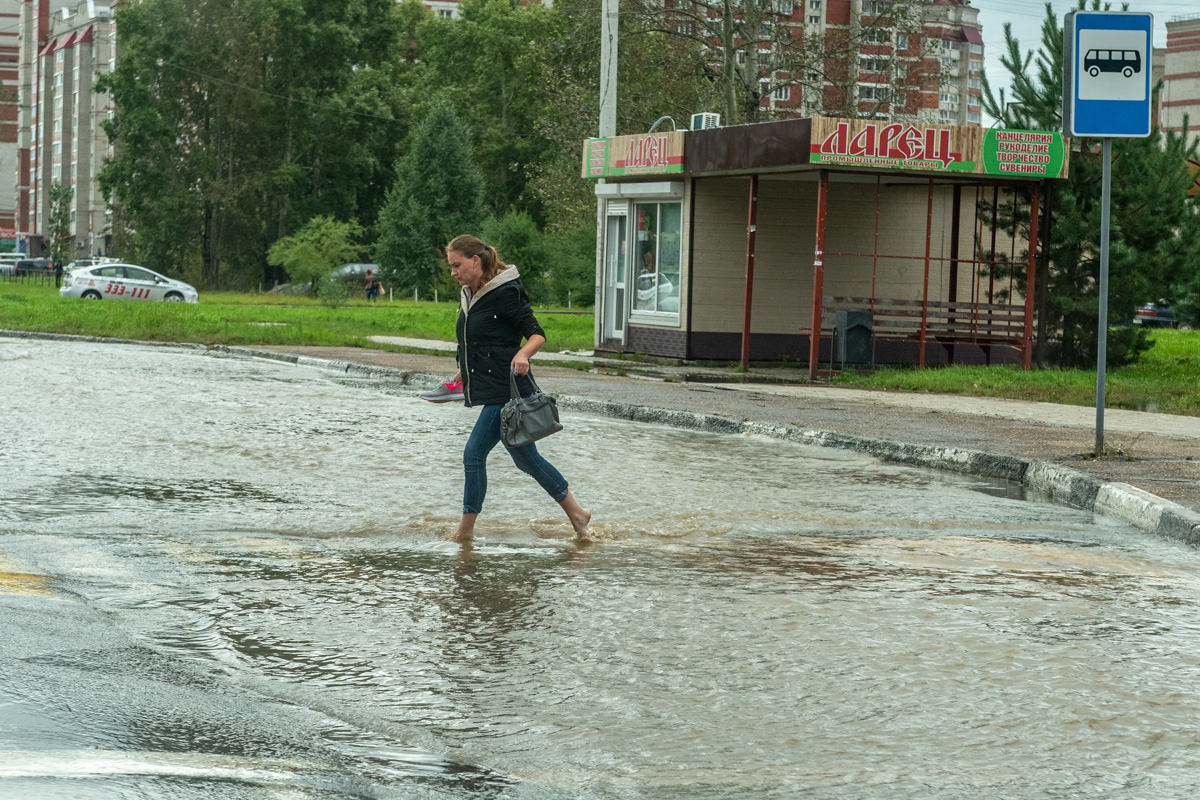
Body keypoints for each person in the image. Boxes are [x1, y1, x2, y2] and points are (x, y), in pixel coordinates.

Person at [444, 234, 591, 541]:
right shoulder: (470, 294)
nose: (453, 272)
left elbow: (536, 334)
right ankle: (577, 514)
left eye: (457, 265)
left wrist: (523, 353)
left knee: (473, 455)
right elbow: (477, 340)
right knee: (526, 459)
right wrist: (462, 372)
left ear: (475, 261)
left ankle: (465, 532)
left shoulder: (506, 291)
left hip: (506, 390)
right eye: (451, 266)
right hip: (489, 386)